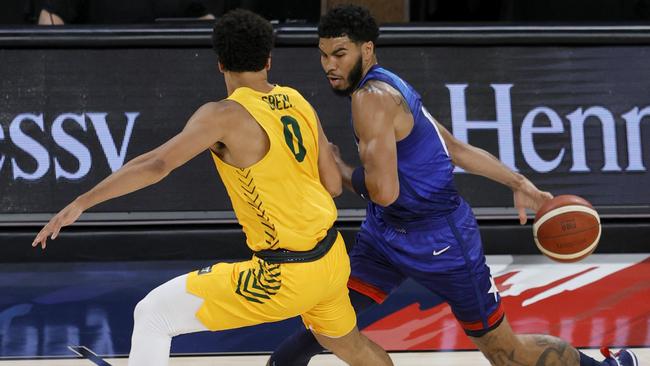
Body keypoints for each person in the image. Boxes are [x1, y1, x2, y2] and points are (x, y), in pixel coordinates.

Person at [268, 4, 640, 366]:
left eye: (339, 53)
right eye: (323, 55)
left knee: (505, 354)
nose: (330, 65)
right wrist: (519, 181)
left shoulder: (374, 97)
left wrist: (337, 168)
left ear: (367, 49)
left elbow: (385, 190)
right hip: (386, 233)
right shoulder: (387, 84)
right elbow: (455, 148)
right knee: (327, 323)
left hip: (441, 241)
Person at [32, 9, 393, 366]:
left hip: (283, 275)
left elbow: (156, 164)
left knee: (153, 315)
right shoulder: (297, 101)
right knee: (353, 348)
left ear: (220, 63)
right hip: (330, 261)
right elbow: (331, 185)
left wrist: (81, 201)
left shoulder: (222, 116)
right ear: (268, 59)